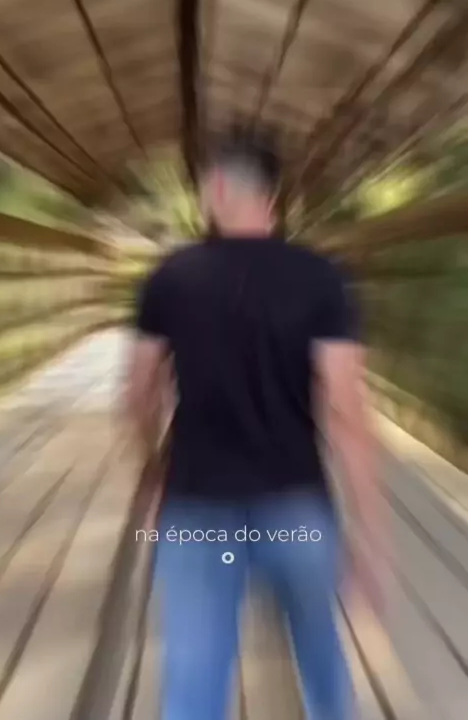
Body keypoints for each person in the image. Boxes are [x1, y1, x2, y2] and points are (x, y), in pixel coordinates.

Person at [126, 125, 384, 720]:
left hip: (197, 507)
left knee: (194, 674)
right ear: (272, 196)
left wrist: (153, 468)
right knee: (321, 657)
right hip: (296, 510)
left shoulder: (170, 278)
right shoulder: (322, 278)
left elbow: (138, 394)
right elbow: (346, 411)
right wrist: (372, 537)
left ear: (217, 188)